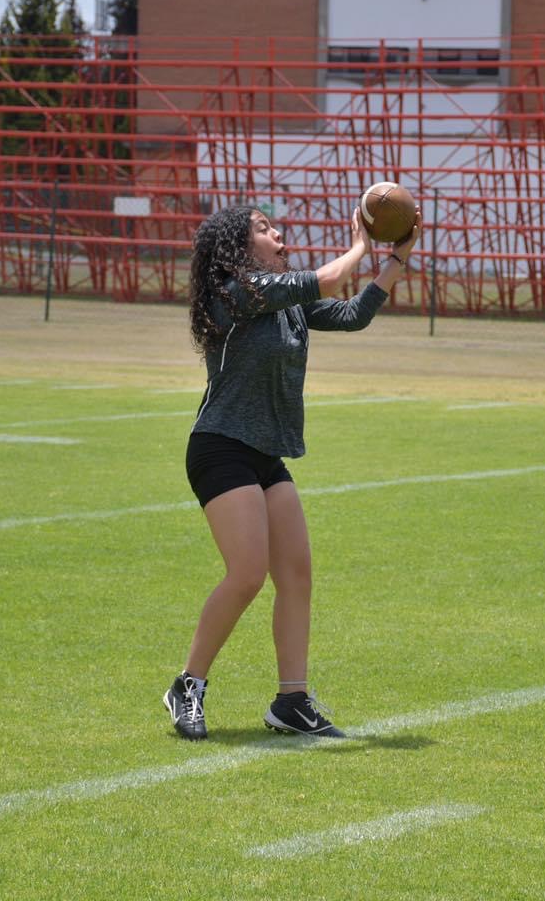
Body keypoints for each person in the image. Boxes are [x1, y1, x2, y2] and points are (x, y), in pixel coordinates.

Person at [164, 202, 420, 741]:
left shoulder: (284, 300)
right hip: (221, 447)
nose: (278, 233)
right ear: (238, 247)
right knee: (248, 573)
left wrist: (396, 259)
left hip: (265, 453)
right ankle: (187, 685)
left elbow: (353, 313)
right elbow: (329, 279)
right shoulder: (238, 292)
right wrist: (361, 244)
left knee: (296, 575)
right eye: (263, 228)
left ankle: (292, 700)